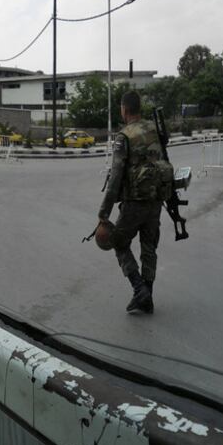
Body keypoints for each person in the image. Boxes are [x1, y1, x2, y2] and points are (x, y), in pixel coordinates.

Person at [98, 91, 166, 314]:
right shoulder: (154, 130)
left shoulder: (124, 136)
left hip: (134, 203)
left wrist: (104, 213)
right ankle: (148, 296)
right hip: (156, 201)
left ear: (124, 110)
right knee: (149, 247)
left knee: (119, 243)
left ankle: (139, 289)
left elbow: (116, 178)